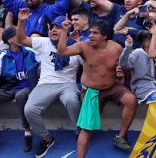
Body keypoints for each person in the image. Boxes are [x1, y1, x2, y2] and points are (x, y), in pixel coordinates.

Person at [57, 20, 137, 156]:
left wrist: (129, 83)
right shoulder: (83, 46)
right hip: (91, 91)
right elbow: (62, 51)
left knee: (131, 99)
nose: (91, 36)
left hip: (112, 87)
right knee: (87, 129)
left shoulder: (116, 48)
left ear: (105, 36)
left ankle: (121, 136)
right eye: (90, 33)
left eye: (95, 33)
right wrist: (64, 31)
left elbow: (124, 65)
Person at [18, 14, 82, 158]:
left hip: (67, 84)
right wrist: (21, 21)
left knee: (72, 101)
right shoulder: (44, 42)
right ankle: (46, 139)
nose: (54, 30)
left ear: (67, 29)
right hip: (46, 83)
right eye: (52, 27)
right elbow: (21, 39)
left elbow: (89, 66)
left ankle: (79, 132)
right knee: (29, 110)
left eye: (58, 27)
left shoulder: (77, 46)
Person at [0, 26, 39, 153]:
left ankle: (27, 133)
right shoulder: (3, 56)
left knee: (20, 96)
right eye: (17, 35)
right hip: (9, 88)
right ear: (10, 40)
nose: (20, 36)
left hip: (27, 88)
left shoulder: (30, 52)